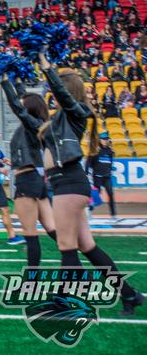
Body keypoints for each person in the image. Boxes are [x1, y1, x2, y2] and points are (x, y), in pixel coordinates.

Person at [37, 51, 142, 315]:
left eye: (57, 89)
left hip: (68, 184)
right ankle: (129, 295)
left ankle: (64, 305)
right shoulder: (61, 119)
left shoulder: (77, 112)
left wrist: (48, 68)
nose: (52, 94)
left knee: (66, 247)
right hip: (66, 183)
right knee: (88, 247)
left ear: (66, 91)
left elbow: (60, 93)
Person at [1, 77, 58, 266]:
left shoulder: (32, 124)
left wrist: (4, 81)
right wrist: (16, 79)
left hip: (26, 180)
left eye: (25, 105)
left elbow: (18, 106)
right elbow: (24, 98)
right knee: (51, 228)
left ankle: (31, 283)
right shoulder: (36, 123)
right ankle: (75, 258)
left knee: (31, 235)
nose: (21, 107)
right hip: (36, 181)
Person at [85, 131, 116, 218]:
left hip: (107, 177)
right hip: (97, 177)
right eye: (103, 139)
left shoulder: (110, 151)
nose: (105, 141)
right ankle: (89, 212)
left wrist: (109, 171)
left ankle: (113, 215)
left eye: (106, 139)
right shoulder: (95, 150)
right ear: (100, 140)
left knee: (111, 194)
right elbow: (88, 162)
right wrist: (86, 173)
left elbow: (110, 162)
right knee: (95, 196)